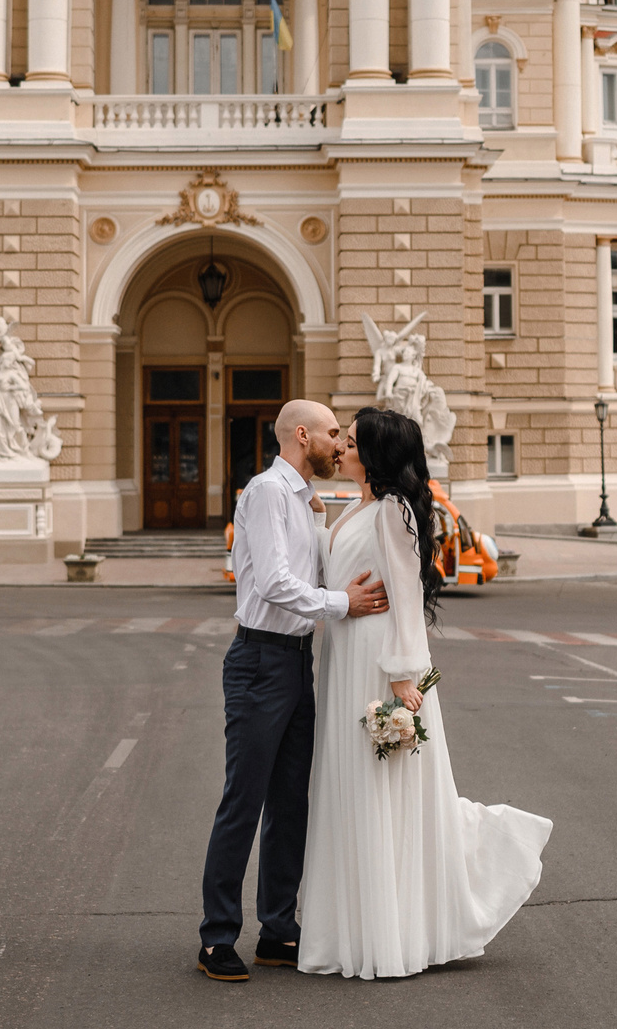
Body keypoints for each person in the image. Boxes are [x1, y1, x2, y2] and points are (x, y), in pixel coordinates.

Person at [298, 408, 552, 980]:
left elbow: (408, 597)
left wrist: (402, 677)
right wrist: (316, 518)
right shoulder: (358, 507)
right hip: (344, 656)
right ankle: (353, 927)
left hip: (377, 663)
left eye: (352, 441)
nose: (341, 447)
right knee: (350, 785)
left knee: (381, 792)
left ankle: (391, 930)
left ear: (375, 455)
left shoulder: (392, 511)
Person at [198, 401, 387, 984]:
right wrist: (341, 604)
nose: (340, 443)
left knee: (290, 804)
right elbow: (276, 583)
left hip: (296, 661)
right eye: (334, 434)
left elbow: (304, 571)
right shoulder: (265, 493)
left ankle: (277, 929)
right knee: (244, 800)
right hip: (259, 660)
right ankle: (217, 937)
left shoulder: (306, 500)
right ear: (302, 436)